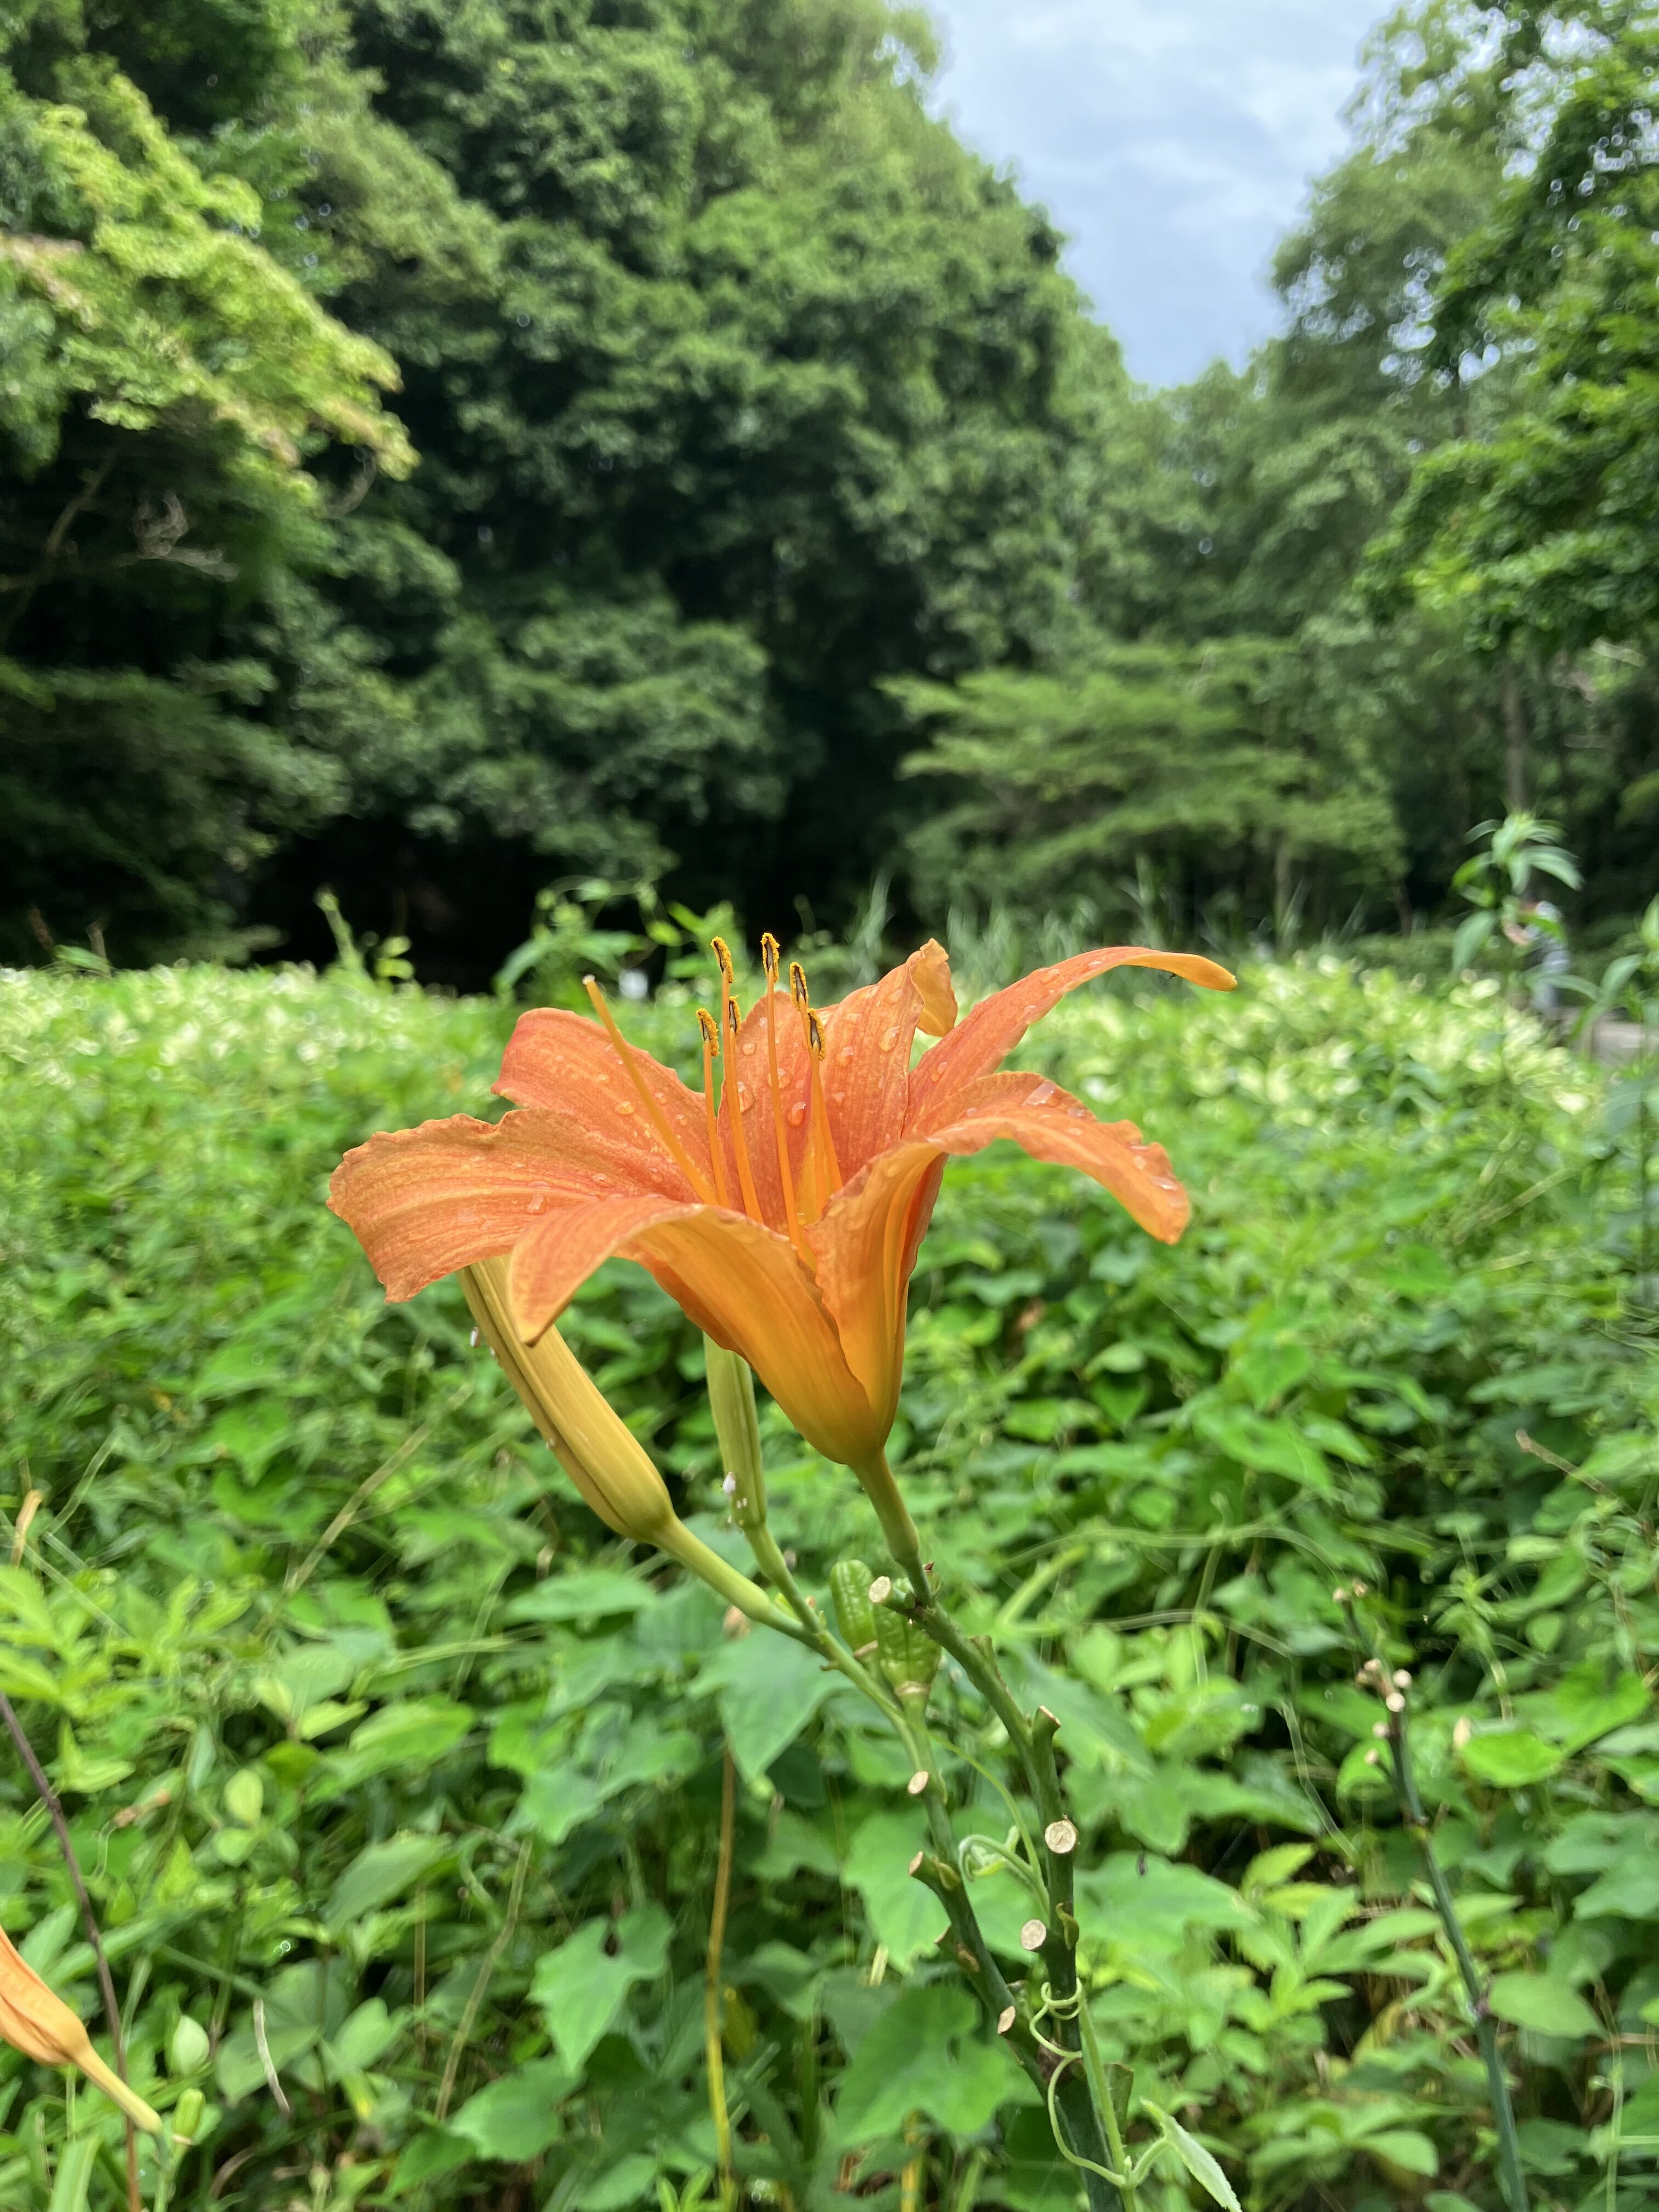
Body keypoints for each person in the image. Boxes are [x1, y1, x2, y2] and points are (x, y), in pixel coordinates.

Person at [1504, 896, 1570, 1018]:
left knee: (1544, 1004)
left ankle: (1550, 1031)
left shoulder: (1543, 915)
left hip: (1553, 962)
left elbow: (1526, 943)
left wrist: (1510, 929)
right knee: (1552, 1001)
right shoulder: (1549, 910)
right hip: (1558, 960)